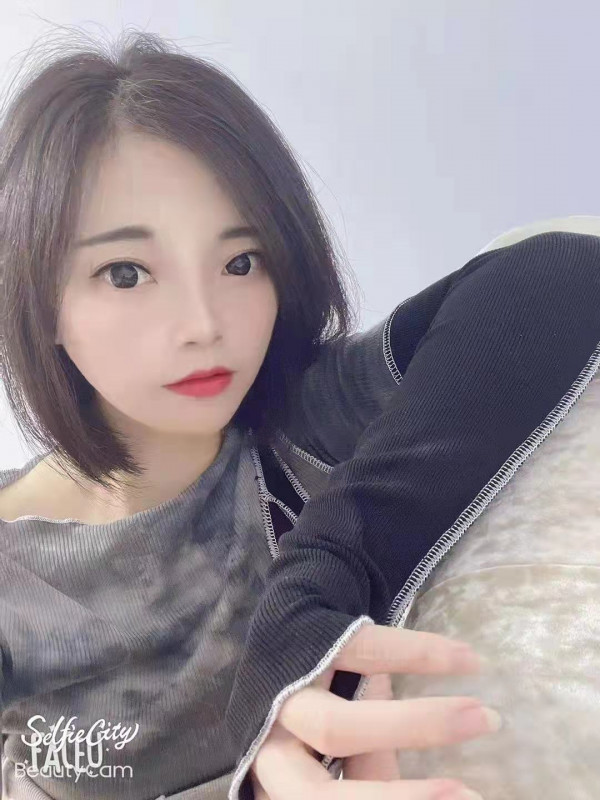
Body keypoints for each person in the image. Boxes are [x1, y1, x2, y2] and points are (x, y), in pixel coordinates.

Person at [0, 26, 598, 800]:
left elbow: (558, 274)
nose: (204, 324)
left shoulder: (301, 422)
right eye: (126, 273)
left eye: (240, 262)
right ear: (39, 297)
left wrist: (318, 581)